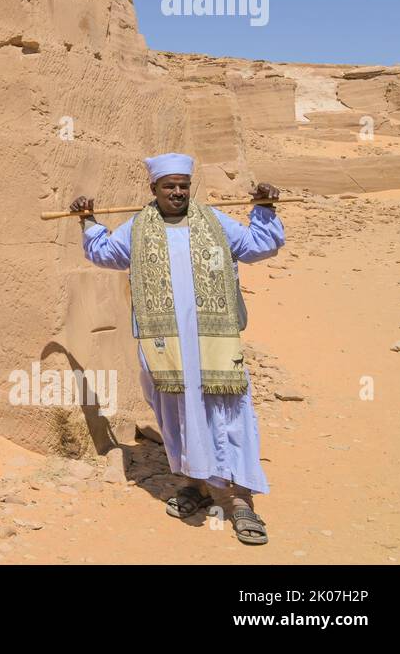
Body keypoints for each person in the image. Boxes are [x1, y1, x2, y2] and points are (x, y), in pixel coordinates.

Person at [70, 153, 284, 545]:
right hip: (164, 346)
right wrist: (87, 220)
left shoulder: (214, 222)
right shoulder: (138, 228)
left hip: (213, 345)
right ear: (154, 189)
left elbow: (259, 245)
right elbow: (104, 254)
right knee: (177, 414)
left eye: (183, 186)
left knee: (228, 414)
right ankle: (195, 483)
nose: (178, 192)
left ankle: (239, 500)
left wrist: (264, 208)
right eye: (169, 186)